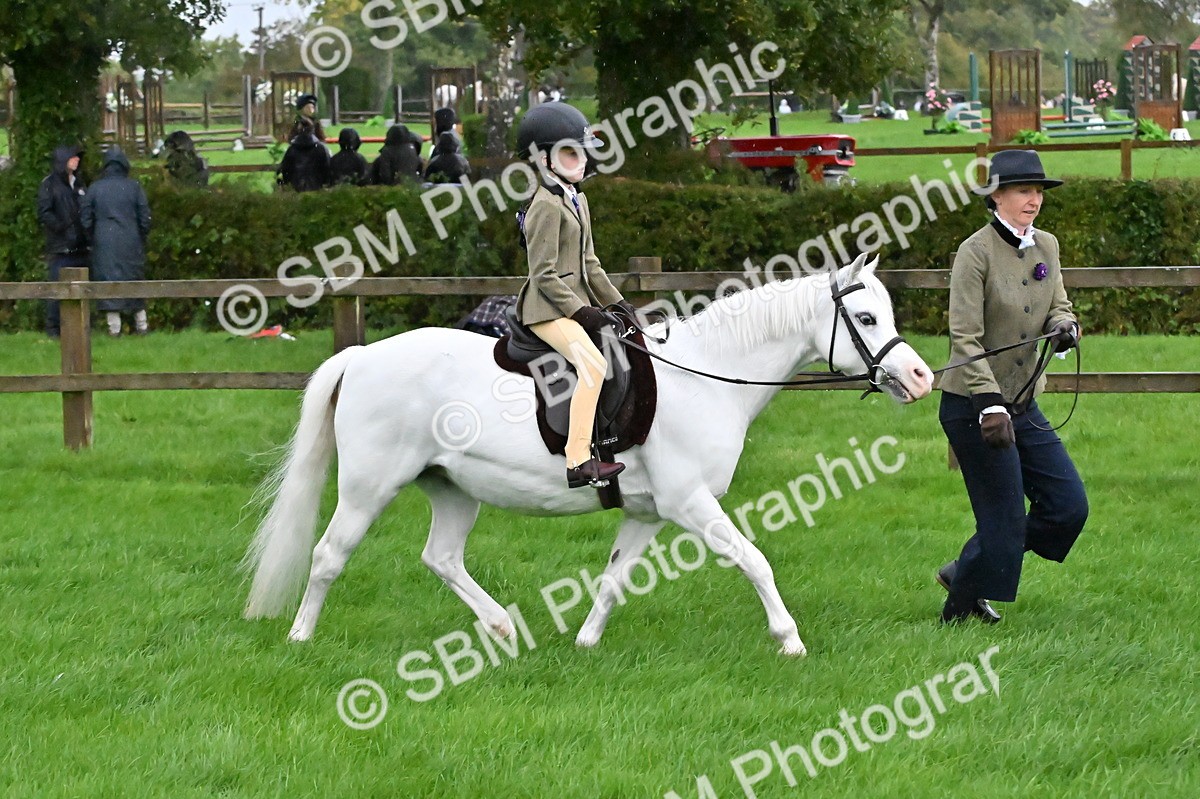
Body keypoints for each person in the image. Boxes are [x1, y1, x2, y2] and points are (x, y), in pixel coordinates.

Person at [937, 149, 1088, 625]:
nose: (1034, 199)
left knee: (1068, 507)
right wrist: (988, 406)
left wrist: (1066, 326)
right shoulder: (974, 252)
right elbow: (964, 337)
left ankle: (965, 567)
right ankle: (958, 612)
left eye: (1039, 191)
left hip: (1023, 403)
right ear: (997, 195)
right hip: (973, 407)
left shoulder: (1048, 246)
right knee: (1001, 521)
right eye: (1024, 190)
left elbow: (1058, 303)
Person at [513, 103, 637, 489]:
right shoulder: (544, 206)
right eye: (570, 152)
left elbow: (590, 263)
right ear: (544, 158)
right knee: (594, 364)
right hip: (545, 309)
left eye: (582, 152)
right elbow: (543, 274)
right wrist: (583, 313)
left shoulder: (578, 199)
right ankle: (578, 459)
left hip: (574, 305)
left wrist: (618, 304)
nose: (580, 160)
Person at [80, 147, 152, 336]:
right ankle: (142, 325)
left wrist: (93, 237)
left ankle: (114, 328)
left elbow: (85, 218)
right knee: (134, 278)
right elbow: (145, 218)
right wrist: (139, 236)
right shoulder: (134, 186)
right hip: (131, 239)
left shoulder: (95, 188)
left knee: (108, 280)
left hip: (104, 241)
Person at [36, 144, 89, 338]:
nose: (77, 161)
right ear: (62, 160)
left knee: (82, 288)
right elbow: (44, 212)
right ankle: (53, 329)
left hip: (81, 246)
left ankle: (80, 328)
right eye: (73, 157)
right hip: (60, 247)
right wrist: (62, 227)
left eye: (78, 158)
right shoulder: (49, 184)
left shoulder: (80, 183)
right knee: (57, 289)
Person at [278, 118, 331, 192]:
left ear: (298, 131)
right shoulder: (321, 148)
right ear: (312, 130)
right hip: (317, 188)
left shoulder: (292, 149)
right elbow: (327, 169)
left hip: (296, 188)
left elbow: (284, 170)